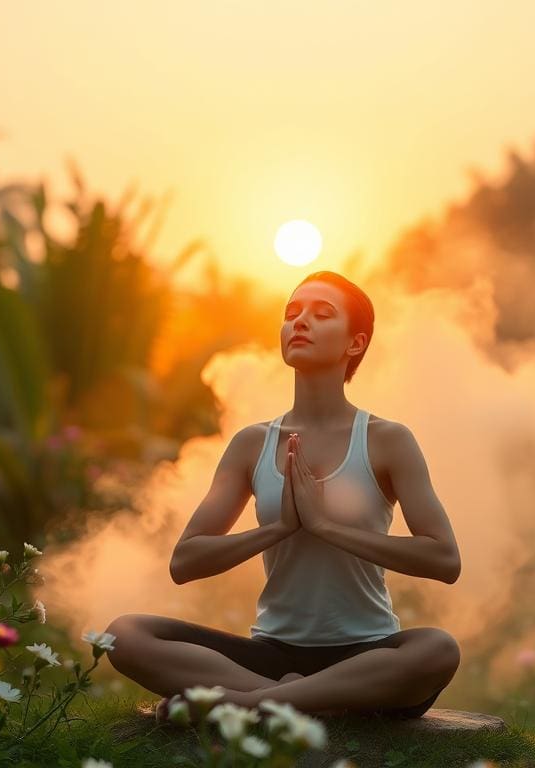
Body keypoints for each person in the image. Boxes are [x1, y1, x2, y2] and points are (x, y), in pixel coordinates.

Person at [104, 270, 461, 720]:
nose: (300, 322)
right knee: (125, 634)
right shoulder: (252, 444)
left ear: (355, 343)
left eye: (321, 314)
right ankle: (305, 702)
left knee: (437, 649)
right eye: (292, 313)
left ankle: (248, 705)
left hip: (366, 654)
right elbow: (185, 561)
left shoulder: (387, 440)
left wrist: (326, 527)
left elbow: (444, 559)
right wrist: (278, 528)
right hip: (272, 656)